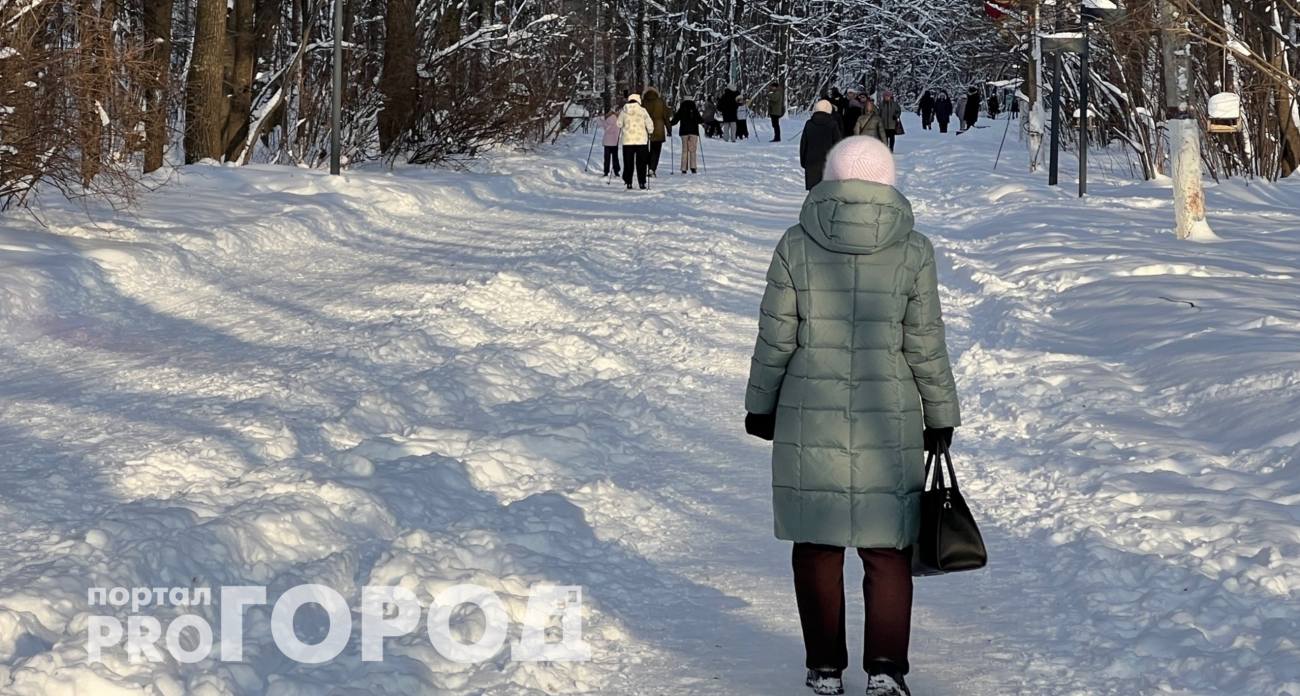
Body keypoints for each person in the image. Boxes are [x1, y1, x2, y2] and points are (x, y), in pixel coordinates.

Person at [744, 134, 961, 696]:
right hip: (887, 417)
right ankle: (885, 672)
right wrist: (940, 415)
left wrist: (760, 405)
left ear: (830, 179)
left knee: (816, 545)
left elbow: (775, 338)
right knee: (887, 548)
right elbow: (925, 344)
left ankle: (824, 671)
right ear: (887, 183)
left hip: (806, 415)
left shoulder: (796, 243)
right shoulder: (914, 249)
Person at [799, 100, 842, 191]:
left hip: (811, 161)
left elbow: (804, 144)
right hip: (828, 161)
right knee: (827, 191)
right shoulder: (832, 124)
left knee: (814, 192)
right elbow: (838, 144)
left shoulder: (809, 124)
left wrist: (804, 161)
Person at [616, 94, 654, 189]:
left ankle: (628, 182)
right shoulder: (642, 110)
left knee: (628, 162)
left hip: (627, 140)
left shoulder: (624, 111)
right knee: (641, 162)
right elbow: (649, 123)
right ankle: (642, 183)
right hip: (641, 140)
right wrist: (650, 130)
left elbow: (619, 124)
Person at [642, 86, 672, 177]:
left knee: (645, 149)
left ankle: (648, 164)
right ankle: (652, 168)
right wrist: (669, 129)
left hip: (645, 128)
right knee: (656, 149)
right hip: (658, 128)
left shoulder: (643, 102)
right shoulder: (660, 102)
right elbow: (665, 116)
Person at [671, 97, 703, 174]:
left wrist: (669, 124)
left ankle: (683, 168)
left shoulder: (681, 110)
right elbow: (700, 120)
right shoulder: (694, 109)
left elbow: (675, 120)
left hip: (684, 131)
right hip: (694, 131)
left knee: (684, 149)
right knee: (693, 150)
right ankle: (693, 167)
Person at [598, 109, 621, 178]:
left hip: (607, 143)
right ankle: (616, 171)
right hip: (615, 142)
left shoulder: (606, 122)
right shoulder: (618, 122)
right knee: (615, 157)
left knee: (607, 158)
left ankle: (606, 171)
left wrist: (599, 117)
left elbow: (599, 123)